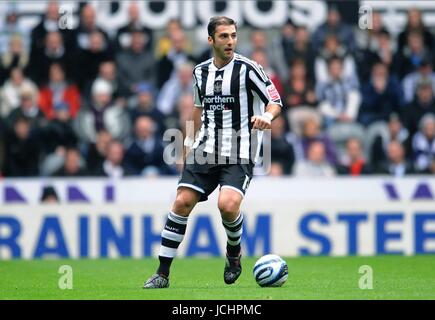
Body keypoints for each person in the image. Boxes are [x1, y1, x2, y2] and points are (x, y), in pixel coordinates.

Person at [143, 16, 283, 289]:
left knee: (227, 205)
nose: (230, 41)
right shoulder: (199, 72)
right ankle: (162, 273)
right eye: (224, 36)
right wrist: (186, 145)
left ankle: (233, 253)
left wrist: (267, 115)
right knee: (182, 201)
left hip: (239, 149)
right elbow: (197, 109)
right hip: (205, 148)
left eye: (233, 35)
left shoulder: (248, 68)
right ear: (210, 40)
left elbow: (275, 100)